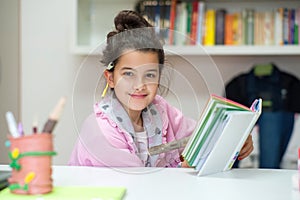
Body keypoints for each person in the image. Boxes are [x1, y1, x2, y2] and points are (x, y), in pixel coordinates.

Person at [69, 10, 253, 168]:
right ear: (110, 78)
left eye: (149, 75)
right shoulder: (101, 131)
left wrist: (236, 138)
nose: (139, 85)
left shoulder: (159, 110)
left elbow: (201, 136)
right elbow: (137, 186)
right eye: (128, 74)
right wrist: (185, 170)